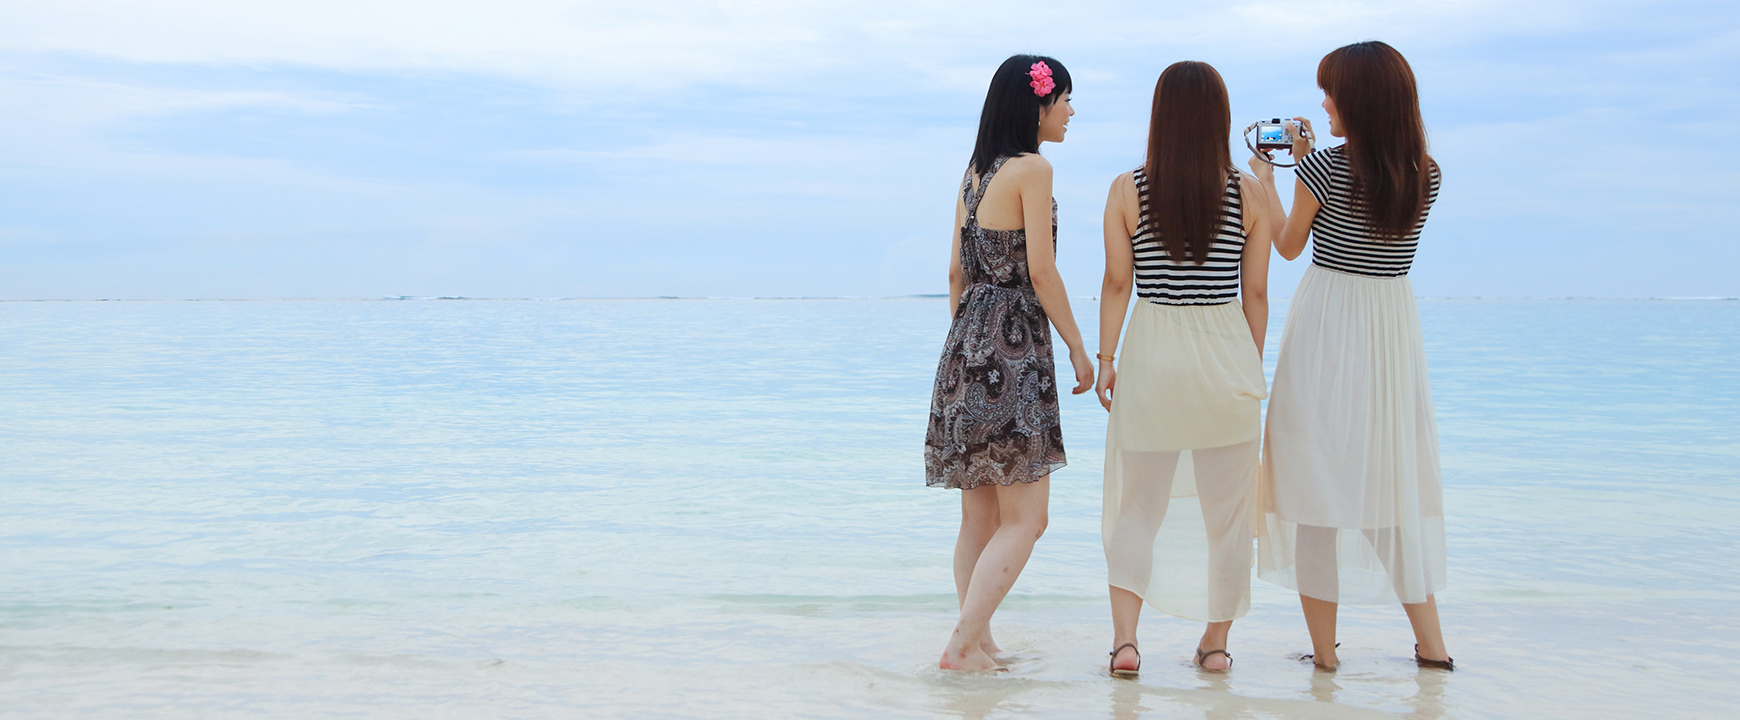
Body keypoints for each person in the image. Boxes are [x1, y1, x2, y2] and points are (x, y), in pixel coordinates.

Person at [1257, 40, 1454, 671]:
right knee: (1387, 485)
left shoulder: (1321, 170)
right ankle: (1432, 648)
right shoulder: (1426, 172)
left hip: (1327, 326)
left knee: (1313, 483)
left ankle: (1325, 658)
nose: (1324, 104)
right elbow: (1368, 208)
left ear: (1359, 100)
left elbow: (1289, 245)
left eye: (1332, 92)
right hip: (1389, 331)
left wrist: (1270, 180)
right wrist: (1310, 165)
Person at [1094, 61, 1280, 677]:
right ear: (1220, 118)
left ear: (1160, 117)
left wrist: (1106, 360)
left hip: (1153, 353)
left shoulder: (1127, 189)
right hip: (1225, 350)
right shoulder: (1249, 193)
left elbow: (1117, 282)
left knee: (1138, 508)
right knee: (1227, 516)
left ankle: (1126, 644)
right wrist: (1251, 363)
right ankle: (1216, 645)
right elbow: (1256, 293)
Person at [924, 53, 1093, 672]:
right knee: (1027, 518)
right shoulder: (1032, 169)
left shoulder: (973, 175)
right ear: (1036, 103)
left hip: (964, 346)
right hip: (1015, 348)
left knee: (980, 516)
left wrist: (968, 349)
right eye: (1064, 98)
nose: (1070, 110)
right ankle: (961, 647)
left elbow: (955, 273)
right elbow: (1041, 272)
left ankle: (981, 643)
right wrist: (1078, 346)